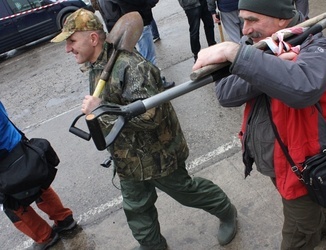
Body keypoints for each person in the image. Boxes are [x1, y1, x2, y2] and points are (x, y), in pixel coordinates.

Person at [51, 9, 237, 250]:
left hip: (158, 155)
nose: (68, 49)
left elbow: (153, 117)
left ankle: (226, 210)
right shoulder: (97, 65)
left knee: (187, 192)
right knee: (136, 207)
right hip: (128, 158)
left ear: (93, 39)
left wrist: (103, 110)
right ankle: (152, 245)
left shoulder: (131, 66)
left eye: (72, 41)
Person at [193, 0, 326, 249]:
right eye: (242, 20)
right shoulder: (256, 45)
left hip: (305, 164)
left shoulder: (317, 46)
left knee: (300, 230)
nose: (244, 30)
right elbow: (226, 94)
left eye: (252, 20)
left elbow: (303, 87)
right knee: (311, 202)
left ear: (282, 19)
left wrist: (241, 58)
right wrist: (270, 64)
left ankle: (316, 226)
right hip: (272, 156)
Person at [0, 101, 77, 250]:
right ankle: (64, 219)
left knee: (12, 204)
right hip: (19, 147)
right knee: (38, 185)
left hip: (3, 164)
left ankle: (44, 237)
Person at [94, 0, 175, 88]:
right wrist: (146, 6)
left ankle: (150, 82)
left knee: (137, 57)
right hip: (135, 20)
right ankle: (155, 83)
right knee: (148, 56)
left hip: (123, 23)